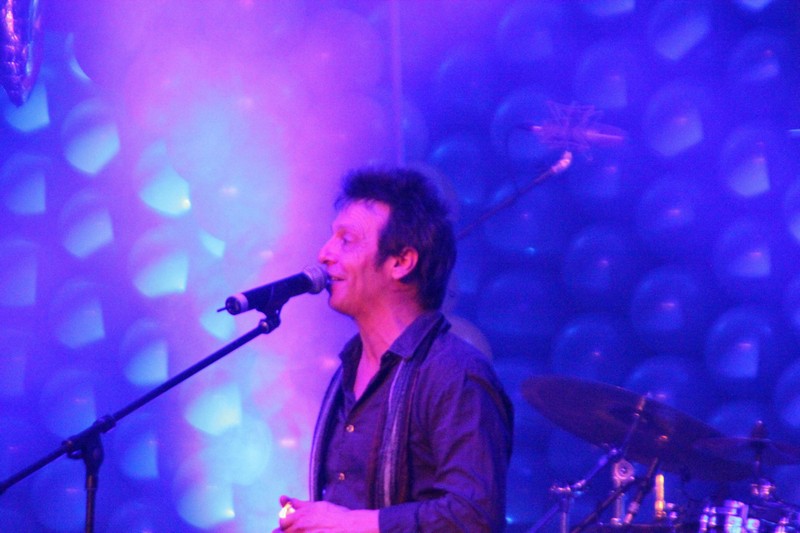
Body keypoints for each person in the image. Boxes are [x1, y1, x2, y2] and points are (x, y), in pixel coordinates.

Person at [276, 167, 514, 532]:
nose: (325, 254)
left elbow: (473, 517)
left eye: (346, 240)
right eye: (331, 238)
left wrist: (352, 524)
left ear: (401, 262)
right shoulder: (348, 368)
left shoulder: (456, 374)